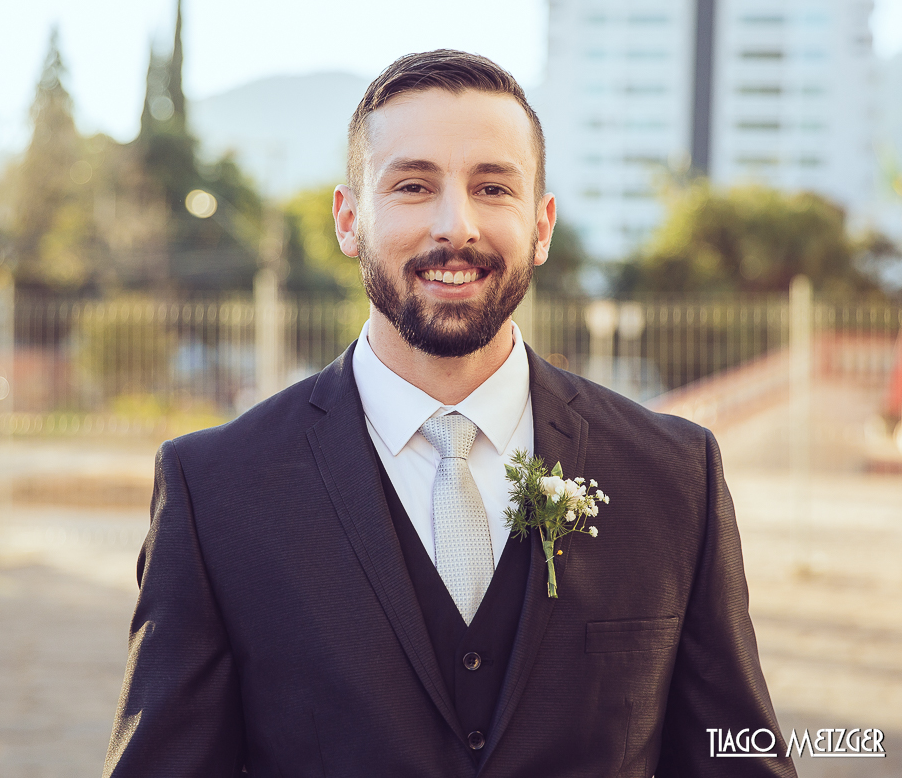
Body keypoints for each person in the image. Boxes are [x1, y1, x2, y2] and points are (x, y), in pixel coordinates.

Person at [104, 50, 796, 777]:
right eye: (412, 185)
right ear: (349, 219)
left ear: (541, 224)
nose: (455, 226)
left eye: (493, 187)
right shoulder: (215, 489)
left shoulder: (674, 475)